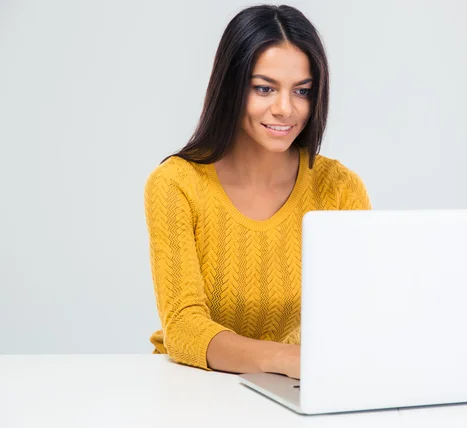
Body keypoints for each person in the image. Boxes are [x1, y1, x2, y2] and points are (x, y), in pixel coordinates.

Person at [144, 4, 371, 380]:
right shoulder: (176, 184)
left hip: (302, 386)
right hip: (191, 385)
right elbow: (183, 327)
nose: (285, 109)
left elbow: (360, 312)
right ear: (231, 86)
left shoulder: (339, 189)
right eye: (264, 88)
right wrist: (288, 360)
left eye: (302, 91)